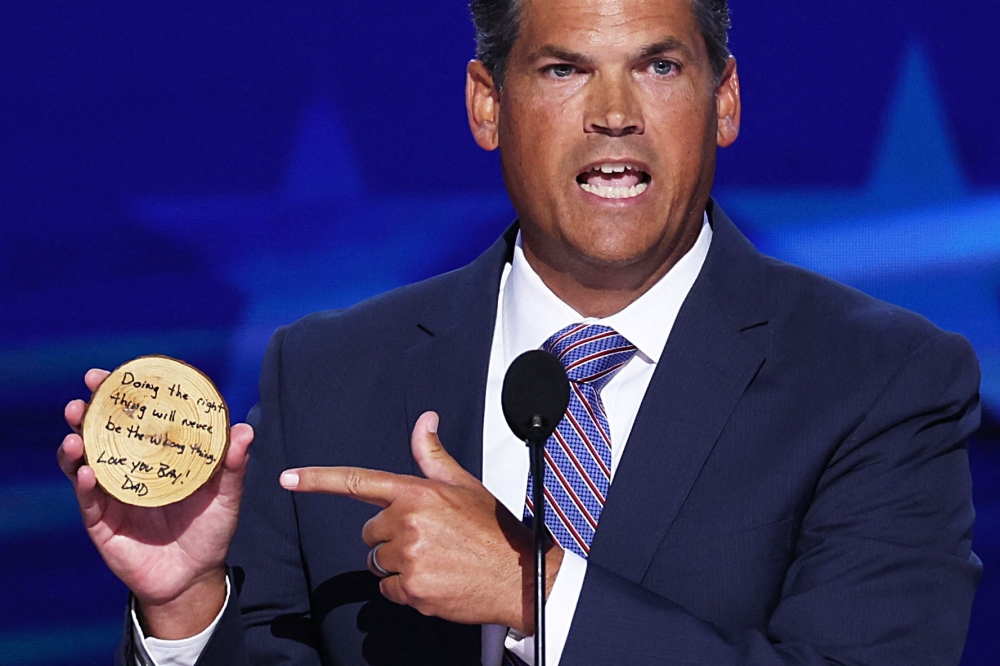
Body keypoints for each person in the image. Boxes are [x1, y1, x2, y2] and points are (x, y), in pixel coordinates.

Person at [59, 0, 983, 663]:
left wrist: (535, 594)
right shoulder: (327, 374)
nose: (615, 114)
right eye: (564, 68)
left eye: (659, 65)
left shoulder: (881, 380)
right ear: (486, 104)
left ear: (725, 99)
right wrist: (186, 612)